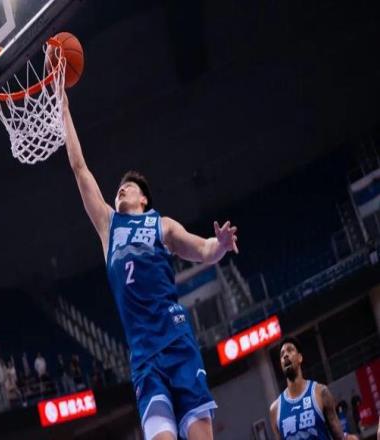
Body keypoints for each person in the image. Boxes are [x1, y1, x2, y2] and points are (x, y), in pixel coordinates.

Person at [63, 94, 238, 440]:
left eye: (128, 187)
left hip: (177, 341)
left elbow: (204, 250)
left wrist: (220, 244)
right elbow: (80, 168)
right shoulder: (108, 226)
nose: (121, 189)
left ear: (144, 198)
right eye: (118, 188)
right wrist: (64, 111)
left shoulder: (162, 224)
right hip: (145, 357)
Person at [270, 337, 359, 440]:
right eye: (282, 354)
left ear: (300, 358)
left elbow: (339, 437)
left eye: (290, 350)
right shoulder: (275, 410)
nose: (285, 355)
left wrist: (348, 438)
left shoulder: (321, 392)